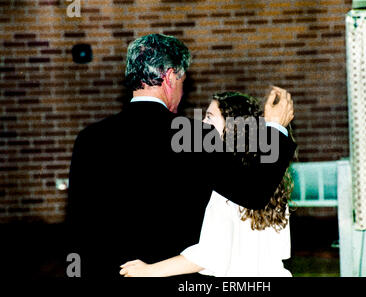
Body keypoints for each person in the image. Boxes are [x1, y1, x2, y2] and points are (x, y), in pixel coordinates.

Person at [65, 33, 297, 278]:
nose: (183, 91)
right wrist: (276, 128)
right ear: (169, 78)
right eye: (183, 81)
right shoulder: (194, 135)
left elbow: (77, 227)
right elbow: (254, 191)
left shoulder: (89, 138)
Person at [119, 92, 294, 277]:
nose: (202, 125)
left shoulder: (224, 187)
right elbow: (283, 250)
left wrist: (149, 271)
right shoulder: (267, 180)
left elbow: (209, 255)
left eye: (209, 118)